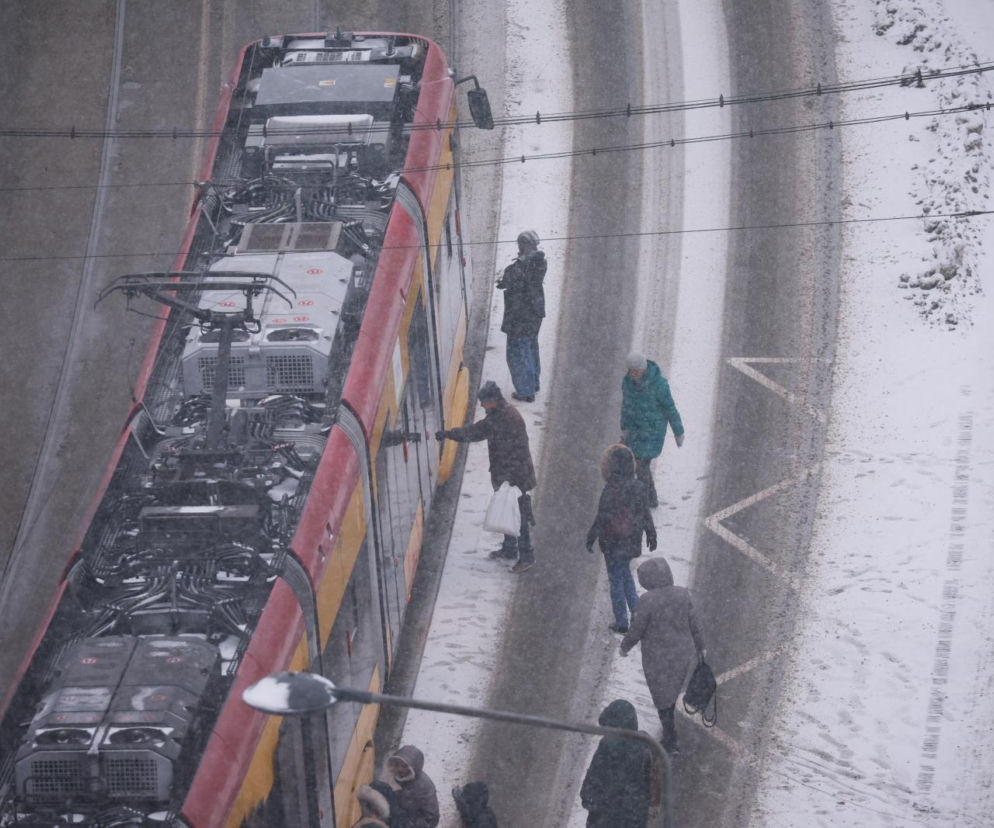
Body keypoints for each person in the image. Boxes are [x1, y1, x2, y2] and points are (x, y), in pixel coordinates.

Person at [436, 381, 537, 573]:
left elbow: (475, 432)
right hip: (511, 475)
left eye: (484, 402)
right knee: (510, 512)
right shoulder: (502, 414)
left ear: (493, 400)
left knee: (519, 517)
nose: (482, 405)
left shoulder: (502, 419)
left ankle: (526, 556)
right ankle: (510, 549)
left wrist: (449, 434)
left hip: (515, 478)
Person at [620, 557, 706, 754]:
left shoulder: (647, 601)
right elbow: (695, 624)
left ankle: (670, 736)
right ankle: (669, 729)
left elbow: (637, 629)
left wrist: (625, 647)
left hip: (656, 657)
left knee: (661, 696)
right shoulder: (682, 595)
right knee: (671, 691)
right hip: (681, 654)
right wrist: (701, 647)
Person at [586, 444, 657, 634]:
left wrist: (591, 537)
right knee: (625, 574)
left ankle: (622, 621)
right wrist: (651, 533)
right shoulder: (639, 488)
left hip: (612, 543)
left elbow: (602, 517)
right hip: (631, 541)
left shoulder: (610, 490)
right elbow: (645, 514)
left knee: (616, 580)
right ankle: (636, 613)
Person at [620, 352, 685, 508]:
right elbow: (626, 407)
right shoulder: (627, 383)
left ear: (643, 368)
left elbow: (670, 409)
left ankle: (648, 499)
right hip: (635, 431)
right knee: (637, 464)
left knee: (641, 465)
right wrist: (624, 428)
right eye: (631, 370)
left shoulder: (659, 385)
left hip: (652, 432)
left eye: (636, 370)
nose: (633, 374)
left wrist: (678, 431)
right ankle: (648, 497)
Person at [579, 699, 656, 827]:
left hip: (605, 816)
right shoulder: (644, 748)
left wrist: (589, 798)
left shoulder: (608, 744)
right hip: (632, 818)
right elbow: (647, 791)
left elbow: (593, 777)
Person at [496, 230, 546, 402]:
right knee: (531, 347)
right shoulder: (539, 263)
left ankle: (525, 391)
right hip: (534, 314)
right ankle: (534, 382)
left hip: (519, 317)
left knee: (518, 353)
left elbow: (508, 280)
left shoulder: (520, 268)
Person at [387, 745, 440, 828]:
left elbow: (431, 819)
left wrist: (406, 823)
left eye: (404, 766)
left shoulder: (422, 786)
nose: (399, 769)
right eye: (397, 764)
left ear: (412, 768)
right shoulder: (402, 778)